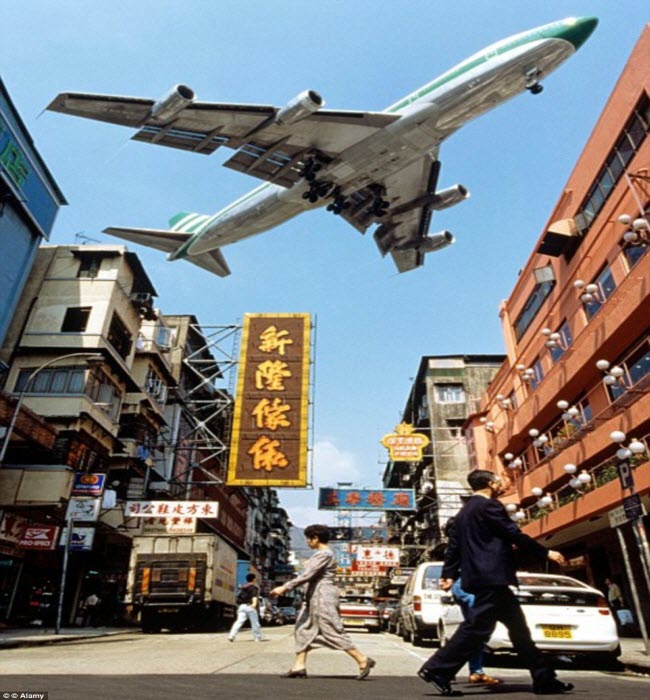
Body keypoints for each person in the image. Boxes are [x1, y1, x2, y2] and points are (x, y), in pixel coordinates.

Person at [418, 470, 574, 697]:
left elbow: (453, 548)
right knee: (476, 628)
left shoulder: (463, 513)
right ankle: (436, 670)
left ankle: (544, 679)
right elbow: (513, 534)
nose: (501, 483)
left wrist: (449, 573)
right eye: (498, 481)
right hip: (492, 577)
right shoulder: (489, 506)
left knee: (519, 630)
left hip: (483, 578)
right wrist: (545, 552)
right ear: (490, 483)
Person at [270, 524, 375, 680]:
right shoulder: (320, 554)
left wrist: (284, 587)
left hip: (323, 597)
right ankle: (299, 666)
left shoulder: (324, 554)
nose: (307, 542)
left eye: (308, 539)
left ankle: (362, 659)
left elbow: (307, 575)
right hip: (313, 597)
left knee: (331, 629)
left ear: (315, 538)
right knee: (302, 628)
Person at [444, 518, 502, 687]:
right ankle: (447, 668)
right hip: (465, 587)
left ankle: (475, 671)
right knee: (475, 629)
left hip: (469, 587)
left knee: (476, 632)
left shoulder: (465, 543)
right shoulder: (460, 544)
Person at [228, 573, 264, 642]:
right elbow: (254, 596)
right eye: (255, 578)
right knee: (255, 623)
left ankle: (231, 636)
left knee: (238, 622)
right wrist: (254, 604)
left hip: (242, 606)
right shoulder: (254, 587)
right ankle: (257, 637)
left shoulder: (244, 587)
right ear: (253, 579)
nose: (255, 579)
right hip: (250, 606)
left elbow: (239, 597)